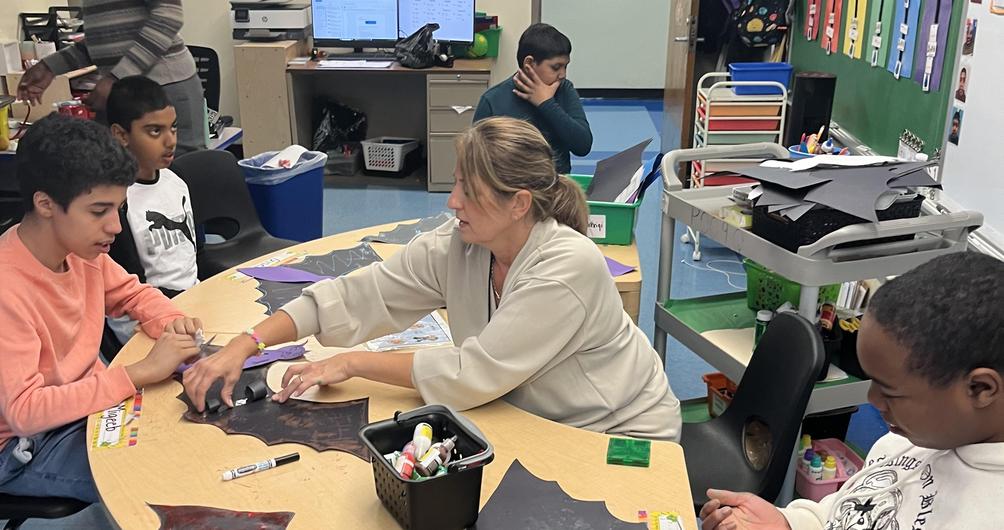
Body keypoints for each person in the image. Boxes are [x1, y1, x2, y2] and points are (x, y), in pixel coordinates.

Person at [183, 117, 681, 440]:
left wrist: (353, 363)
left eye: (469, 188)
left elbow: (472, 374)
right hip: (532, 417)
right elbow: (361, 293)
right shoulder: (463, 244)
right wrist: (246, 344)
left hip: (618, 431)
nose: (452, 200)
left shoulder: (566, 267)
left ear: (519, 204)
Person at [699, 252, 1004, 530]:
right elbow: (842, 513)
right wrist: (789, 523)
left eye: (891, 392)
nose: (872, 401)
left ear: (980, 388)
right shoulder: (911, 439)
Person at [0, 114, 202, 503]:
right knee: (166, 477)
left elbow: (133, 295)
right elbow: (25, 410)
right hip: (25, 445)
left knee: (193, 434)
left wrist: (174, 324)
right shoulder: (9, 288)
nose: (116, 226)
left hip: (87, 408)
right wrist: (139, 373)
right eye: (99, 211)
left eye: (119, 209)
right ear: (45, 204)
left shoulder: (81, 250)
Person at [16, 0, 206, 153]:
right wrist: (49, 66)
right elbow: (105, 41)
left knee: (182, 173)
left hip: (164, 85)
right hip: (124, 90)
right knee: (113, 170)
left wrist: (115, 78)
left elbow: (169, 16)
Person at [106, 76, 198, 342]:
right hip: (143, 318)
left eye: (173, 128)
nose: (170, 141)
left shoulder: (177, 181)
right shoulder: (115, 202)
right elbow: (130, 289)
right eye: (155, 131)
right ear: (121, 135)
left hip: (191, 301)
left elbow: (191, 254)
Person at [473, 23, 592, 175]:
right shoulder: (492, 100)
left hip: (555, 188)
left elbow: (583, 145)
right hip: (509, 188)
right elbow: (476, 162)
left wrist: (546, 104)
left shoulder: (564, 90)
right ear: (529, 63)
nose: (563, 74)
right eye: (556, 67)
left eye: (565, 67)